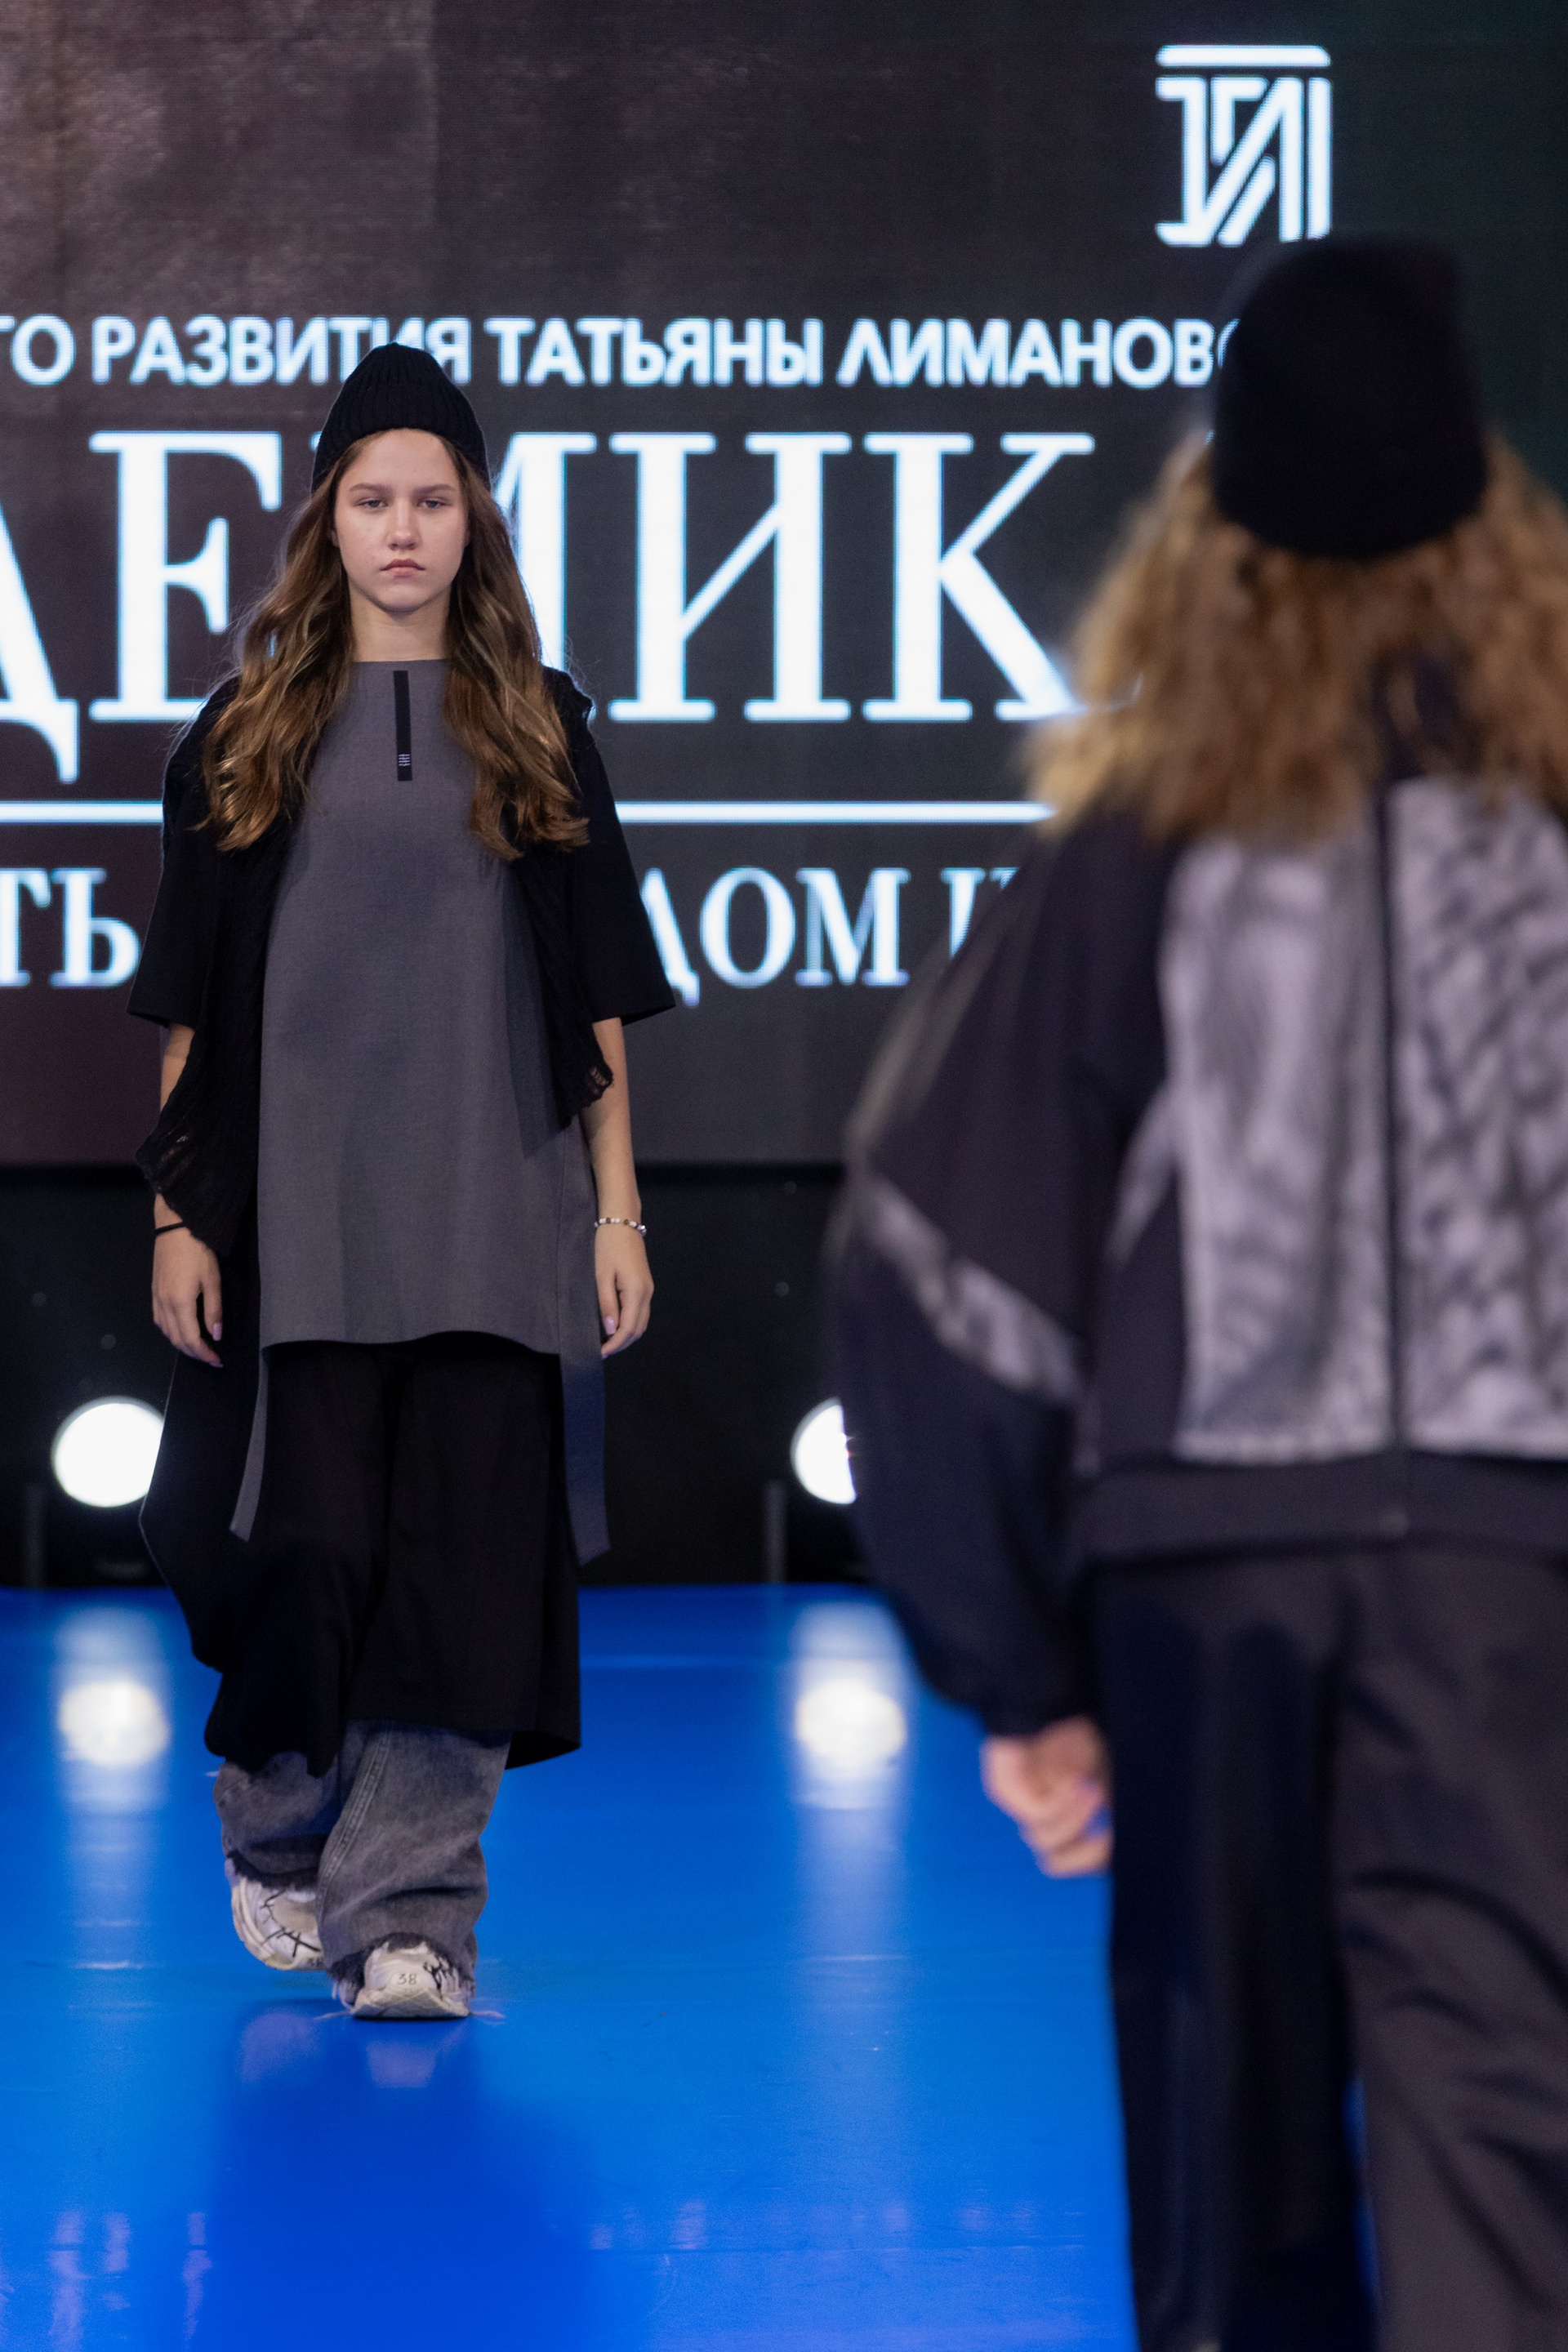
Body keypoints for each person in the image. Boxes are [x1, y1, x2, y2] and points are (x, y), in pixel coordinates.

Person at [832, 237, 1568, 2350]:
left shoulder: (1134, 849)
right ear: (1484, 509)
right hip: (1514, 1589)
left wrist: (1020, 1672)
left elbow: (938, 1271)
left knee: (1230, 2202)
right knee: (1512, 2184)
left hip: (1205, 1591)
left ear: (1215, 528)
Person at [128, 344, 674, 2020]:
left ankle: (413, 1920)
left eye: (434, 499)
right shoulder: (247, 732)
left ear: (475, 519)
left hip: (496, 1212)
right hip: (298, 1222)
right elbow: (188, 1004)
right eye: (373, 500)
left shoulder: (538, 726)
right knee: (295, 1551)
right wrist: (179, 1215)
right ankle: (280, 1831)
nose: (405, 530)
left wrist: (617, 1208)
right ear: (328, 519)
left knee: (461, 1576)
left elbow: (595, 992)